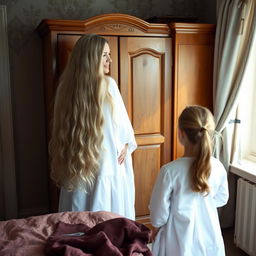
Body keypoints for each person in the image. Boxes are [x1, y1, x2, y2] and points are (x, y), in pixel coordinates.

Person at [49, 34, 137, 220]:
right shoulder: (108, 85)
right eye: (105, 55)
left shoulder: (66, 88)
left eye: (109, 55)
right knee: (107, 219)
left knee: (79, 216)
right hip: (107, 166)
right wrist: (127, 144)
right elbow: (123, 130)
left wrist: (126, 143)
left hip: (79, 165)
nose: (110, 60)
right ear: (92, 58)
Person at [149, 105, 229, 256]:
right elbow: (222, 198)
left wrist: (156, 229)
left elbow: (159, 213)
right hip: (209, 234)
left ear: (181, 133)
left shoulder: (169, 171)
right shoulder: (218, 167)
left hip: (177, 238)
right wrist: (203, 205)